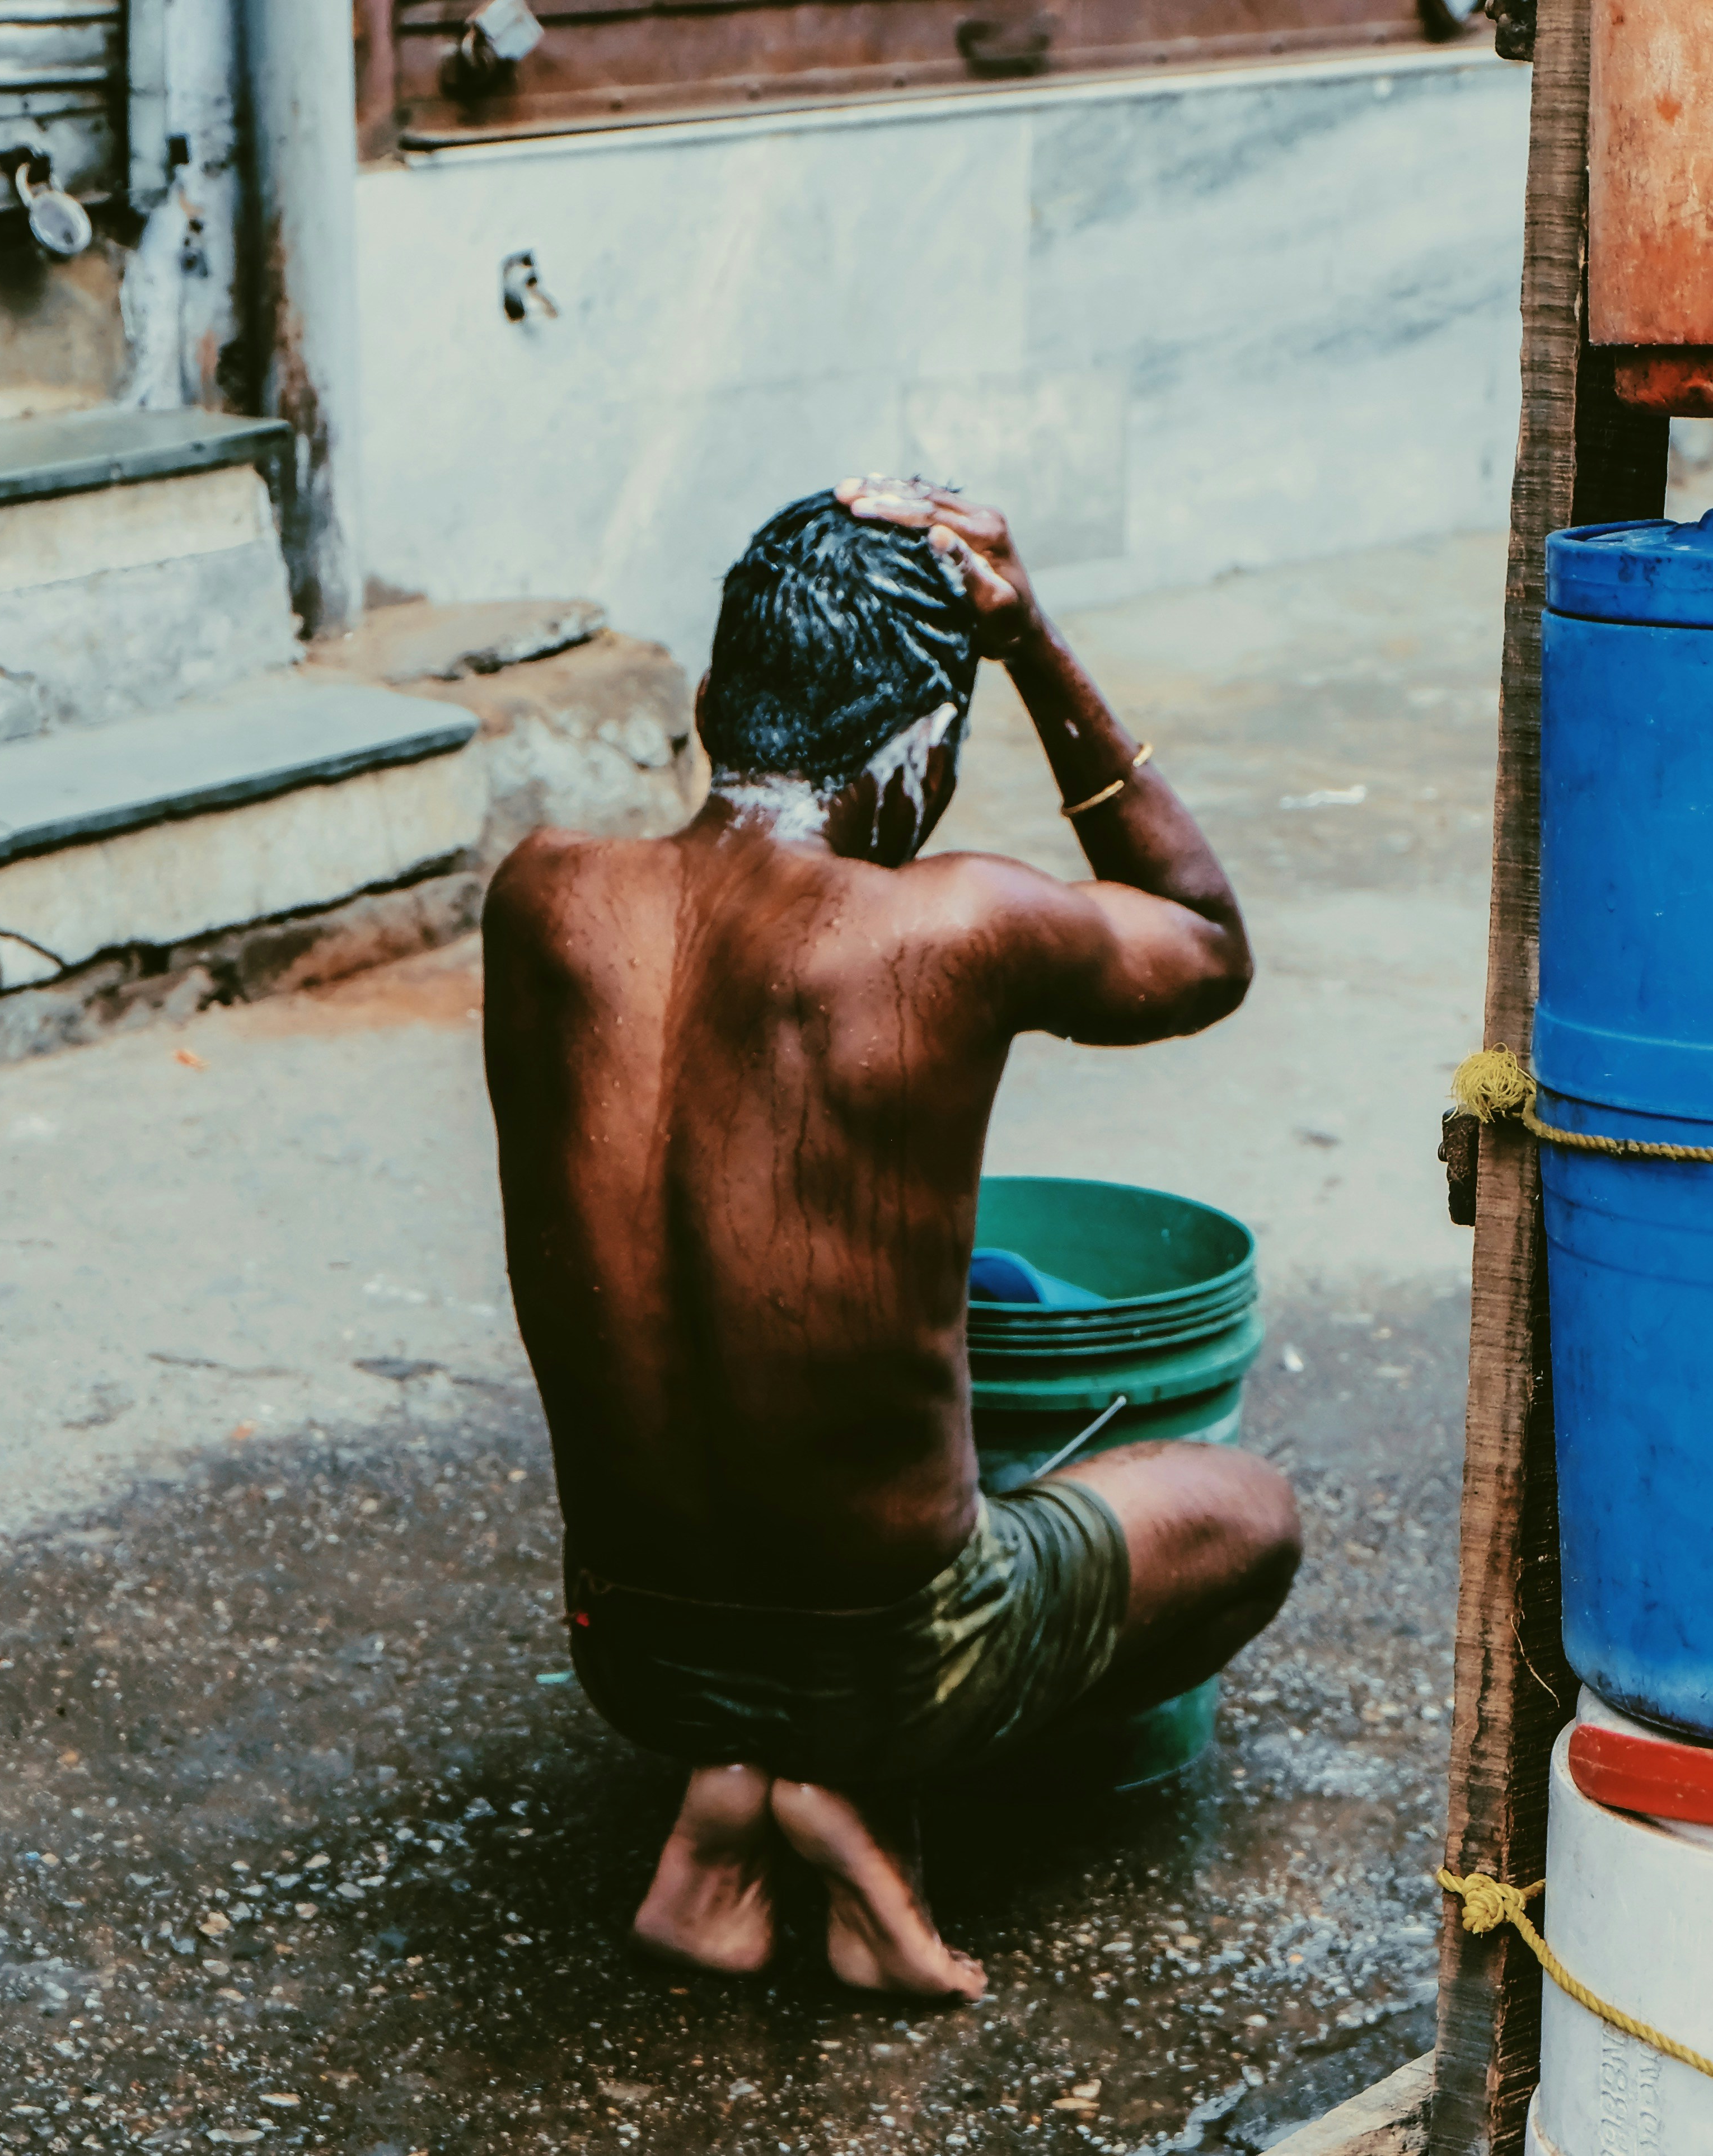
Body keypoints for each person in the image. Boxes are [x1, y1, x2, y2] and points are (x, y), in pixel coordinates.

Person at [481, 478, 1301, 2000]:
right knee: (1248, 1511)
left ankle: (728, 1799)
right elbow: (1206, 943)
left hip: (633, 1652)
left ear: (721, 700)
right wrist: (1035, 637)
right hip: (900, 1660)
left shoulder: (542, 897)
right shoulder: (950, 926)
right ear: (921, 750)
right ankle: (844, 1786)